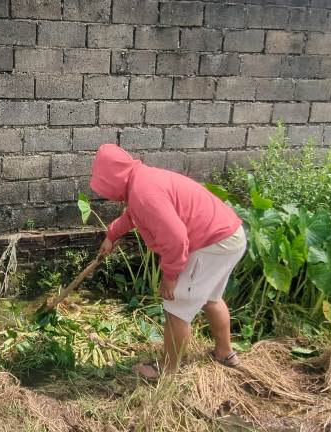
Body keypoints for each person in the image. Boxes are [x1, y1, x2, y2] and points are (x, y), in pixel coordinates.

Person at [89, 144, 246, 379]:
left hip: (211, 244)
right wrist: (112, 235)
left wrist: (170, 277)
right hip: (229, 236)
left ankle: (167, 371)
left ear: (113, 177)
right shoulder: (142, 180)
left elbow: (176, 239)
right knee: (211, 298)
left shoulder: (144, 193)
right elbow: (133, 214)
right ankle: (225, 353)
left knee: (176, 308)